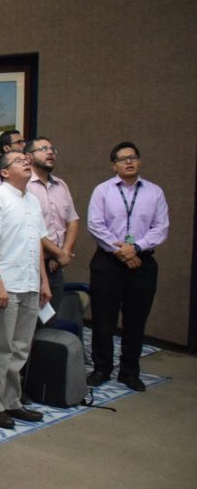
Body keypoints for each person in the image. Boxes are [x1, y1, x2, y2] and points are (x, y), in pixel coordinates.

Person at [0, 150, 51, 429]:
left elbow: (37, 244)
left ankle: (11, 401)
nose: (27, 162)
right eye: (20, 161)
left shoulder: (31, 200)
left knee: (20, 348)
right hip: (5, 285)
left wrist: (43, 281)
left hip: (30, 282)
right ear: (4, 172)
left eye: (27, 160)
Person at [86, 141, 169, 392]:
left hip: (141, 262)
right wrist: (120, 250)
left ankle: (129, 371)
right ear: (114, 165)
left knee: (136, 320)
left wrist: (137, 248)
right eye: (123, 159)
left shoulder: (155, 192)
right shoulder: (102, 191)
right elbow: (95, 224)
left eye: (133, 157)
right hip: (107, 263)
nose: (129, 162)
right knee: (103, 319)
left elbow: (161, 227)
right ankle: (102, 367)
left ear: (139, 161)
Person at [25, 137, 80, 303]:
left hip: (56, 265)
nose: (50, 152)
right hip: (31, 264)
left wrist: (63, 253)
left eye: (52, 149)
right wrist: (59, 253)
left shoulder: (61, 184)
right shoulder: (24, 185)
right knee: (29, 324)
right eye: (43, 149)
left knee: (50, 321)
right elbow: (30, 228)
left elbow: (72, 221)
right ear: (28, 157)